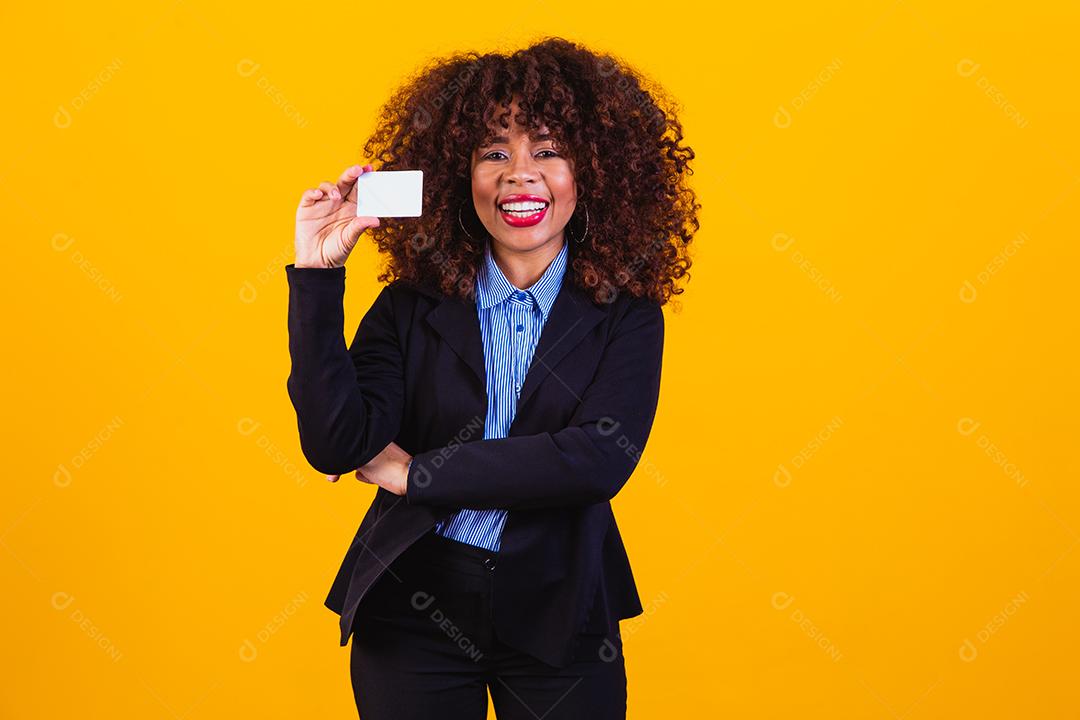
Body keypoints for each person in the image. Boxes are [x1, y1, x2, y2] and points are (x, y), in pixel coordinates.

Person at [285, 36, 699, 720]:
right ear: (459, 176)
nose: (519, 175)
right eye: (493, 153)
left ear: (592, 172)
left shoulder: (628, 318)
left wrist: (416, 474)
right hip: (413, 605)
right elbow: (336, 444)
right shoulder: (412, 305)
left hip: (560, 609)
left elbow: (594, 460)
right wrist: (319, 274)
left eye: (547, 150)